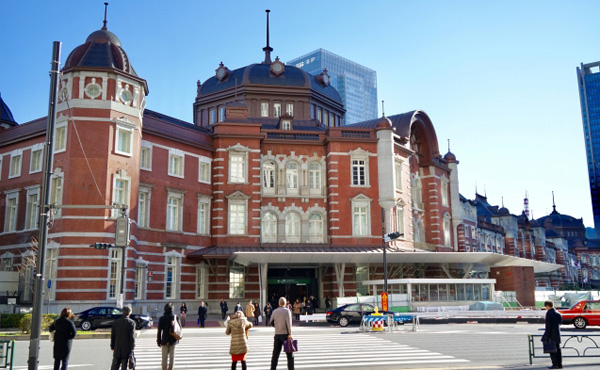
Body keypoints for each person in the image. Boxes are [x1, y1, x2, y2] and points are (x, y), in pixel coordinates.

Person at [269, 297, 294, 370]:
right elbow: (289, 324)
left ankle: (273, 368)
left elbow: (271, 322)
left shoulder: (275, 311)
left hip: (277, 334)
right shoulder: (287, 311)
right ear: (285, 303)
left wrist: (276, 327)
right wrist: (290, 333)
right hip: (285, 335)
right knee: (289, 355)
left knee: (275, 355)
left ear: (279, 303)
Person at [110, 305, 136, 370]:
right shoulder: (131, 323)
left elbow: (113, 335)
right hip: (126, 348)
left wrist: (112, 346)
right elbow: (132, 336)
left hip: (117, 347)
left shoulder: (116, 322)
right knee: (124, 365)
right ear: (130, 313)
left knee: (115, 364)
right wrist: (132, 347)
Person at [157, 303, 180, 370]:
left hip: (164, 340)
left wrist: (159, 341)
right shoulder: (176, 317)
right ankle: (170, 368)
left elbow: (159, 331)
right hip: (173, 339)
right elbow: (178, 329)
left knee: (164, 358)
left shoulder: (161, 318)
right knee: (172, 357)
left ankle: (164, 368)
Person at [542, 300, 562, 369]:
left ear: (547, 306)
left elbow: (548, 326)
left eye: (546, 307)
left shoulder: (549, 313)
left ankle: (555, 364)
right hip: (557, 334)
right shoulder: (557, 313)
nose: (545, 308)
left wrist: (546, 336)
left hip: (551, 335)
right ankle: (559, 364)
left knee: (552, 351)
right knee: (558, 350)